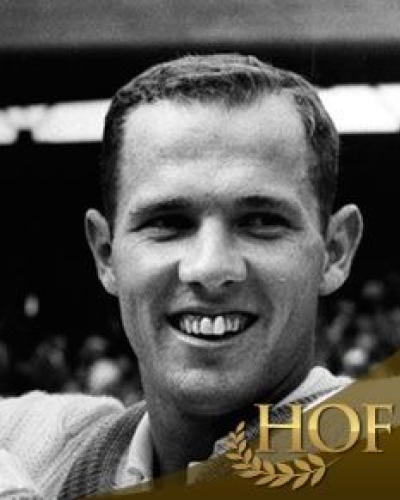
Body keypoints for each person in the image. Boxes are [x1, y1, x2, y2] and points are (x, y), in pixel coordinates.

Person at [0, 53, 363, 499]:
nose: (210, 267)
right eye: (168, 223)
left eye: (262, 222)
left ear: (335, 251)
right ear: (106, 254)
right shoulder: (56, 444)